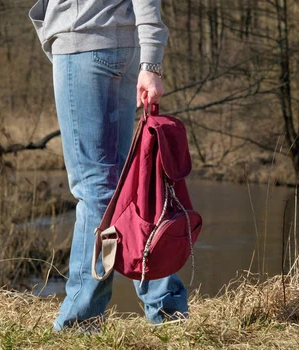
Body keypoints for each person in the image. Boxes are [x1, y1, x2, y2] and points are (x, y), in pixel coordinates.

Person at [29, 0, 188, 330]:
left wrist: (152, 62)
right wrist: (149, 60)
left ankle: (82, 317)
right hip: (123, 48)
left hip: (84, 44)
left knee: (95, 188)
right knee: (120, 189)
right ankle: (166, 307)